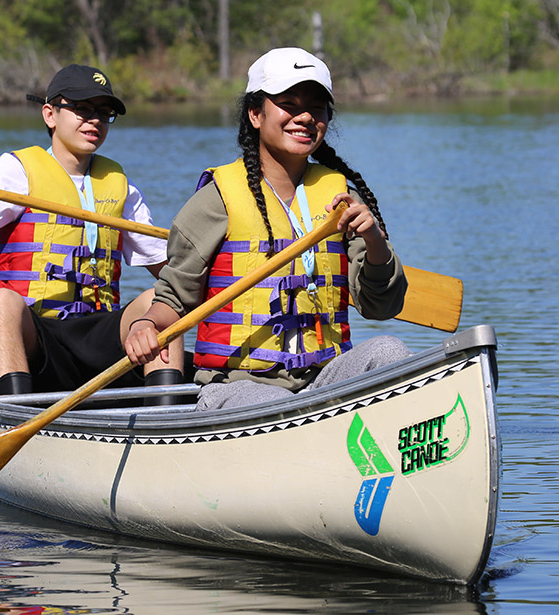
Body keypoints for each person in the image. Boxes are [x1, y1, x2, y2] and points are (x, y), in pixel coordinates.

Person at [123, 47, 410, 411]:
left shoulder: (342, 200)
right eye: (289, 104)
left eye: (317, 108)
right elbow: (174, 300)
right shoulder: (216, 201)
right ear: (255, 114)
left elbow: (383, 306)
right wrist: (145, 326)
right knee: (275, 403)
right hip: (237, 386)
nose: (305, 117)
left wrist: (374, 239)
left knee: (389, 351)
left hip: (323, 379)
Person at [0, 63, 185, 400]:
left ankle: (167, 410)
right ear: (50, 114)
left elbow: (169, 273)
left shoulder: (121, 186)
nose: (94, 120)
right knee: (2, 300)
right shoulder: (16, 172)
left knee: (160, 298)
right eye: (82, 109)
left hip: (96, 336)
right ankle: (12, 408)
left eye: (103, 113)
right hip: (35, 337)